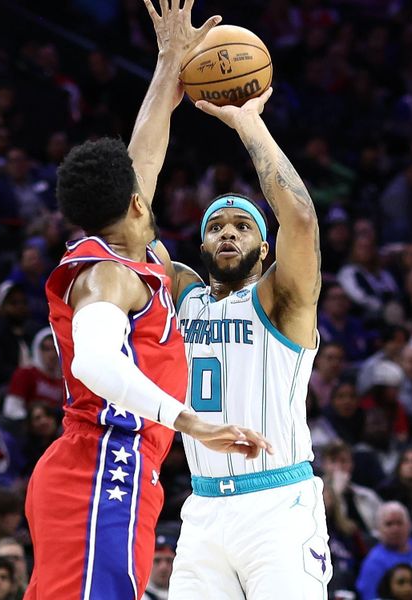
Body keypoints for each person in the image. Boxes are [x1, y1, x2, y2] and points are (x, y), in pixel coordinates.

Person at [24, 3, 267, 598]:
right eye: (143, 188)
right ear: (136, 204)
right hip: (103, 466)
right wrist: (192, 424)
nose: (149, 182)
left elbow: (144, 154)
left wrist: (168, 65)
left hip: (115, 469)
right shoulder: (108, 277)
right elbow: (96, 363)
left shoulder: (129, 255)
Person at [158, 79, 328, 599]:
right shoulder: (181, 291)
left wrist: (248, 124)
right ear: (201, 242)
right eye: (216, 227)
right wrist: (165, 82)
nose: (227, 233)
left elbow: (299, 218)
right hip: (205, 509)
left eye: (242, 227)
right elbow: (129, 218)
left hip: (279, 505)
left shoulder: (282, 300)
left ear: (262, 249)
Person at [356, 502, 412, 600]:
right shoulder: (373, 564)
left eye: (399, 523)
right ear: (378, 529)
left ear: (409, 525)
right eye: (389, 524)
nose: (395, 529)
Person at [142, 534, 175, 600]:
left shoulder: (187, 593)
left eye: (169, 560)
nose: (163, 567)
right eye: (157, 561)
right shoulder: (137, 596)